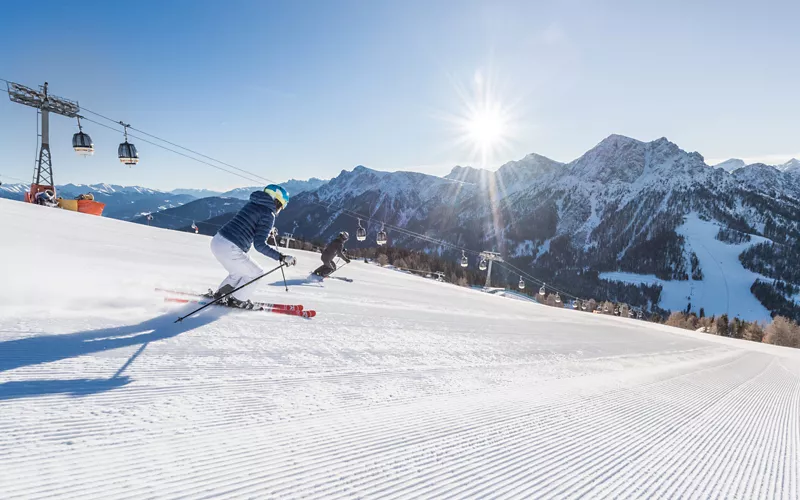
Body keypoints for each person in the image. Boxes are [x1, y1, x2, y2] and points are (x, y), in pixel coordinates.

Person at [210, 184, 296, 308]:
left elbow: (251, 220)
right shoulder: (269, 214)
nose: (280, 209)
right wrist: (281, 257)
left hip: (218, 241)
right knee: (256, 273)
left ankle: (221, 295)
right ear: (277, 201)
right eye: (282, 205)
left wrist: (266, 229)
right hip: (231, 247)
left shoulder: (253, 203)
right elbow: (259, 245)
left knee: (238, 273)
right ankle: (238, 300)